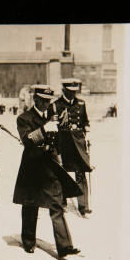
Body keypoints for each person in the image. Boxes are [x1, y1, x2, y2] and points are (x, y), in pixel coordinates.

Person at [13, 85, 82, 258]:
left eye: (48, 101)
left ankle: (64, 246)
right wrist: (44, 130)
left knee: (57, 204)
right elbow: (27, 140)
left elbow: (60, 142)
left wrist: (64, 129)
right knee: (31, 205)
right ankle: (28, 241)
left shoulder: (54, 117)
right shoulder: (24, 118)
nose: (46, 104)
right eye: (42, 100)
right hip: (32, 166)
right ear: (35, 99)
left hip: (51, 166)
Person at [50, 78, 93, 217]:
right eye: (69, 92)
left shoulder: (81, 103)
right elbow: (51, 126)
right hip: (63, 143)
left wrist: (89, 133)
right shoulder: (56, 105)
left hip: (78, 144)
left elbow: (85, 121)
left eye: (74, 92)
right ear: (63, 90)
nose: (72, 95)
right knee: (62, 173)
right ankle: (62, 202)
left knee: (81, 173)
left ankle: (84, 207)